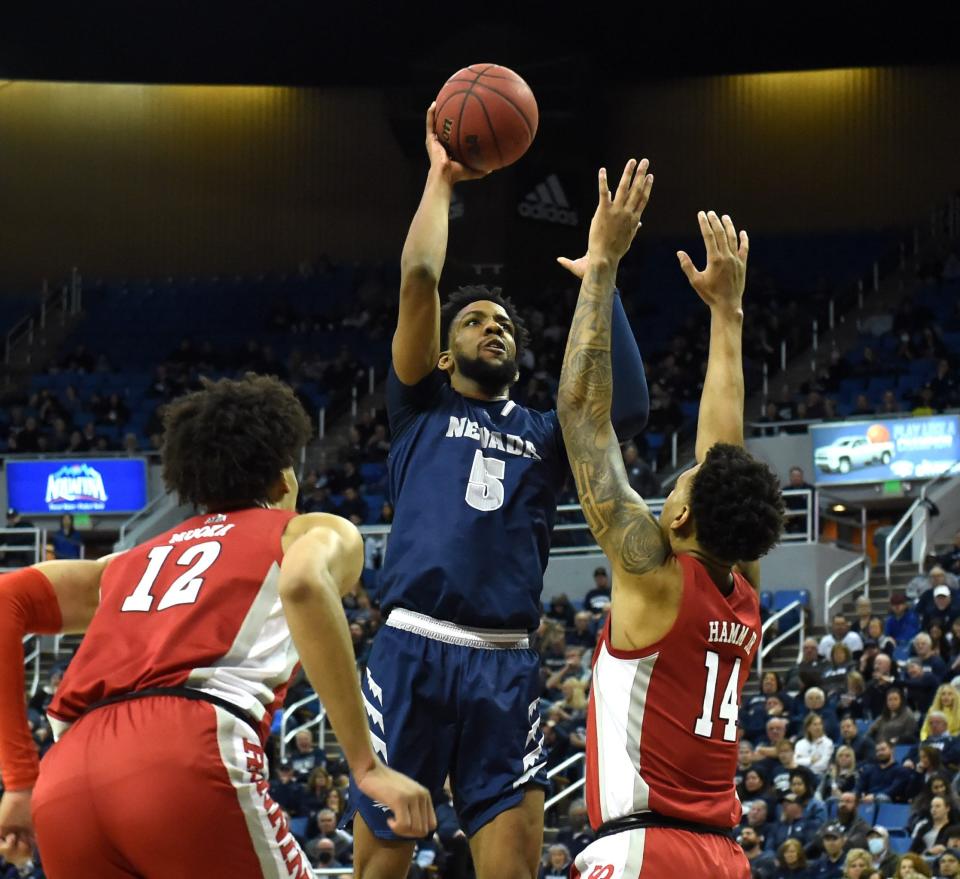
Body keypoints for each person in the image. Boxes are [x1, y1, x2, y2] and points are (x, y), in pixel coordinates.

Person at [346, 113, 650, 879]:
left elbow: (626, 411)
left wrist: (602, 283)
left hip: (504, 661)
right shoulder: (420, 407)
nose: (494, 326)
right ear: (445, 351)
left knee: (513, 867)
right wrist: (440, 181)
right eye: (476, 320)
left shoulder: (549, 432)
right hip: (411, 640)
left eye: (505, 322)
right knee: (381, 865)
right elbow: (420, 280)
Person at [0, 375, 435, 877]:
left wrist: (18, 778)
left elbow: (7, 599)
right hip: (185, 748)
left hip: (66, 777)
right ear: (282, 478)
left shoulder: (127, 562)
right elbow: (303, 587)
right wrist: (365, 765)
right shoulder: (306, 529)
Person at [557, 174, 783, 874]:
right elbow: (725, 456)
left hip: (643, 848)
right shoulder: (742, 588)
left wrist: (601, 268)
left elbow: (583, 418)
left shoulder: (652, 578)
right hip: (722, 854)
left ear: (680, 515)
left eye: (676, 482)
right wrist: (727, 313)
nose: (674, 479)